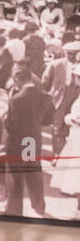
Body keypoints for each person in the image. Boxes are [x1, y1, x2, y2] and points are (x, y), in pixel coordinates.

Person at [1, 63, 53, 217]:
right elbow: (48, 120)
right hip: (32, 139)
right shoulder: (45, 96)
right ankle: (39, 207)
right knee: (33, 172)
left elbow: (10, 125)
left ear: (17, 80)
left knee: (15, 177)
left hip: (17, 142)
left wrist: (5, 118)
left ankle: (14, 210)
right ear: (31, 77)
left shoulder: (16, 99)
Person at [51, 89, 80, 218]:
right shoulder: (78, 95)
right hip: (75, 138)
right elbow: (71, 113)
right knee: (75, 176)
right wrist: (69, 119)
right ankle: (78, 208)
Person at [44, 39, 76, 157]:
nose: (71, 56)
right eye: (69, 53)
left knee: (72, 129)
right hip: (59, 99)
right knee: (57, 128)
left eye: (74, 53)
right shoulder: (56, 64)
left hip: (76, 101)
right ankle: (58, 154)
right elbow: (46, 82)